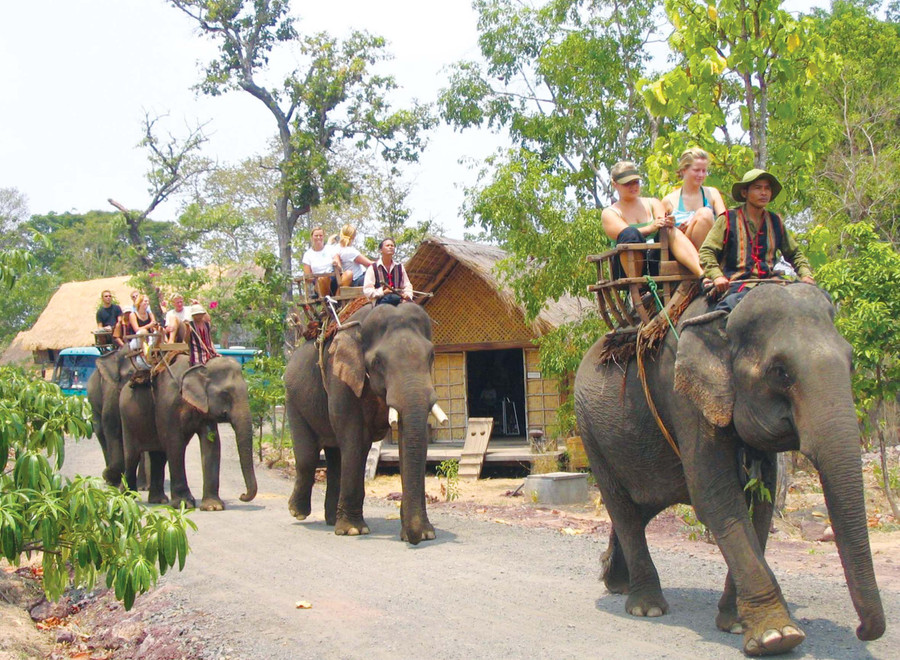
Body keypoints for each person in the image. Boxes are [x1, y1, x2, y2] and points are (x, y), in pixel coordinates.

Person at [699, 169, 815, 312]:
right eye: (758, 188)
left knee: (816, 300)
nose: (764, 193)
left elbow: (794, 253)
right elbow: (707, 251)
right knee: (726, 309)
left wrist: (806, 275)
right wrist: (717, 276)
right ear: (744, 193)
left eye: (767, 188)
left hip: (771, 283)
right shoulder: (728, 219)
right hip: (736, 285)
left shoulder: (775, 221)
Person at [600, 160, 704, 280]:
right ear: (615, 184)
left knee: (668, 230)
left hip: (657, 260)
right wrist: (651, 228)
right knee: (630, 233)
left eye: (636, 182)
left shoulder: (653, 203)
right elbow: (625, 234)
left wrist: (669, 223)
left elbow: (662, 224)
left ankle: (701, 273)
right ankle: (637, 287)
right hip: (626, 267)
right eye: (627, 183)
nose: (633, 186)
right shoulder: (610, 213)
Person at [661, 147, 727, 250]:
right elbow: (660, 233)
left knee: (704, 214)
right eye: (696, 170)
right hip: (682, 251)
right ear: (683, 170)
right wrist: (675, 228)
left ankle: (704, 260)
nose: (701, 175)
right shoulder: (669, 201)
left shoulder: (712, 193)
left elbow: (725, 224)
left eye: (704, 171)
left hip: (710, 247)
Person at [363, 237, 414, 305]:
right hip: (380, 300)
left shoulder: (400, 267)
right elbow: (367, 290)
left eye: (392, 245)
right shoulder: (373, 268)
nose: (390, 247)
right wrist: (382, 292)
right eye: (387, 245)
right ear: (381, 250)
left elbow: (407, 285)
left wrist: (407, 295)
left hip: (399, 299)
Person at [301, 226, 338, 299]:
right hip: (318, 282)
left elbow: (338, 265)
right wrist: (318, 278)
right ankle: (327, 302)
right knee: (322, 279)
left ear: (323, 237)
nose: (318, 237)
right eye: (316, 236)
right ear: (312, 237)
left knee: (347, 274)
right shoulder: (308, 254)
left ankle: (334, 300)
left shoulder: (330, 249)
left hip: (333, 279)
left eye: (320, 235)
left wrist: (336, 264)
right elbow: (308, 276)